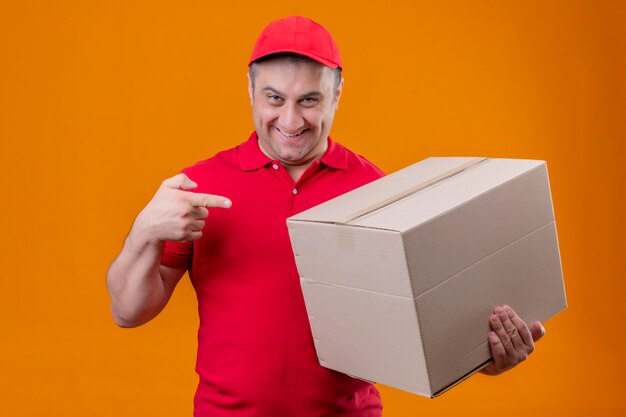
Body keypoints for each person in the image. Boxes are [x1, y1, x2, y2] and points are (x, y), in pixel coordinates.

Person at [107, 15, 545, 417]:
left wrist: (489, 355)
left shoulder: (380, 193)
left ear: (337, 92)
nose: (291, 119)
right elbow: (128, 312)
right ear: (250, 90)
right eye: (274, 98)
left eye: (310, 100)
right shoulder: (199, 188)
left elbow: (427, 324)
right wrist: (145, 231)